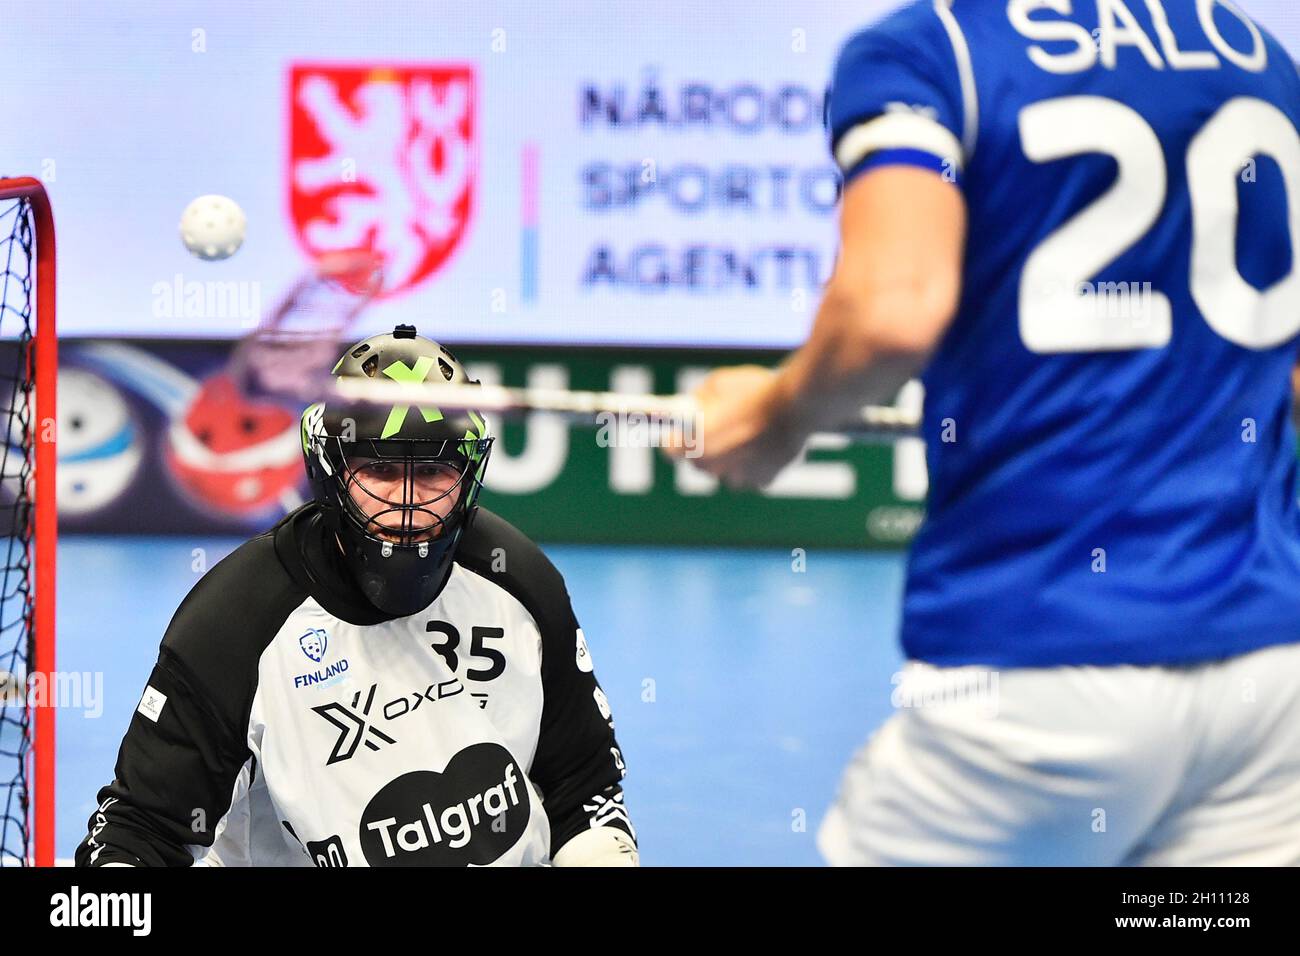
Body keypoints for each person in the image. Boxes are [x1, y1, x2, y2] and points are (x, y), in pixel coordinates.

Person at [682, 0, 1300, 864]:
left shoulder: (930, 50)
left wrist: (775, 419)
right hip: (1268, 678)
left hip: (1034, 661)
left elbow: (892, 314)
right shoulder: (1259, 59)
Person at [77, 325, 637, 867]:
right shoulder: (234, 621)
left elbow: (582, 789)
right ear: (333, 471)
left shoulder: (518, 581)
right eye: (382, 470)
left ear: (469, 475)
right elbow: (144, 830)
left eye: (436, 471)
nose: (408, 505)